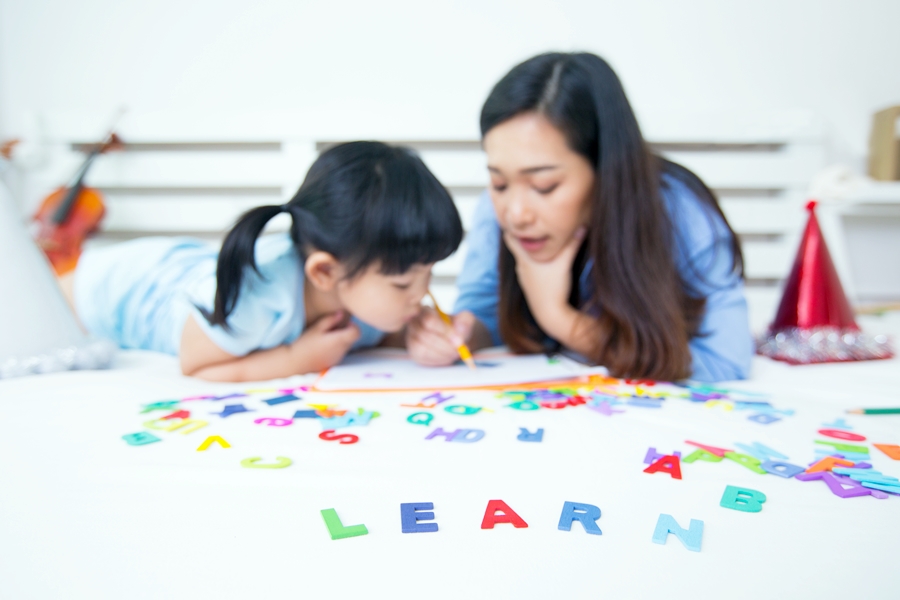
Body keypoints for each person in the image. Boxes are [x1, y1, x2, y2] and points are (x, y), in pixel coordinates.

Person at [406, 52, 752, 382]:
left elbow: (726, 359)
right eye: (499, 183)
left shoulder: (680, 210)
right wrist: (458, 335)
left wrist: (558, 318)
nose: (516, 214)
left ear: (604, 169)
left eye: (544, 186)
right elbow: (484, 311)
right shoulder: (496, 208)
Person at [61, 141, 463, 381]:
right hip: (109, 291)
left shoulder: (362, 289)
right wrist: (297, 359)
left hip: (184, 265)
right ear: (324, 271)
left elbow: (377, 332)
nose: (421, 294)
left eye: (428, 273)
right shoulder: (255, 295)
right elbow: (198, 366)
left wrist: (414, 336)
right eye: (402, 284)